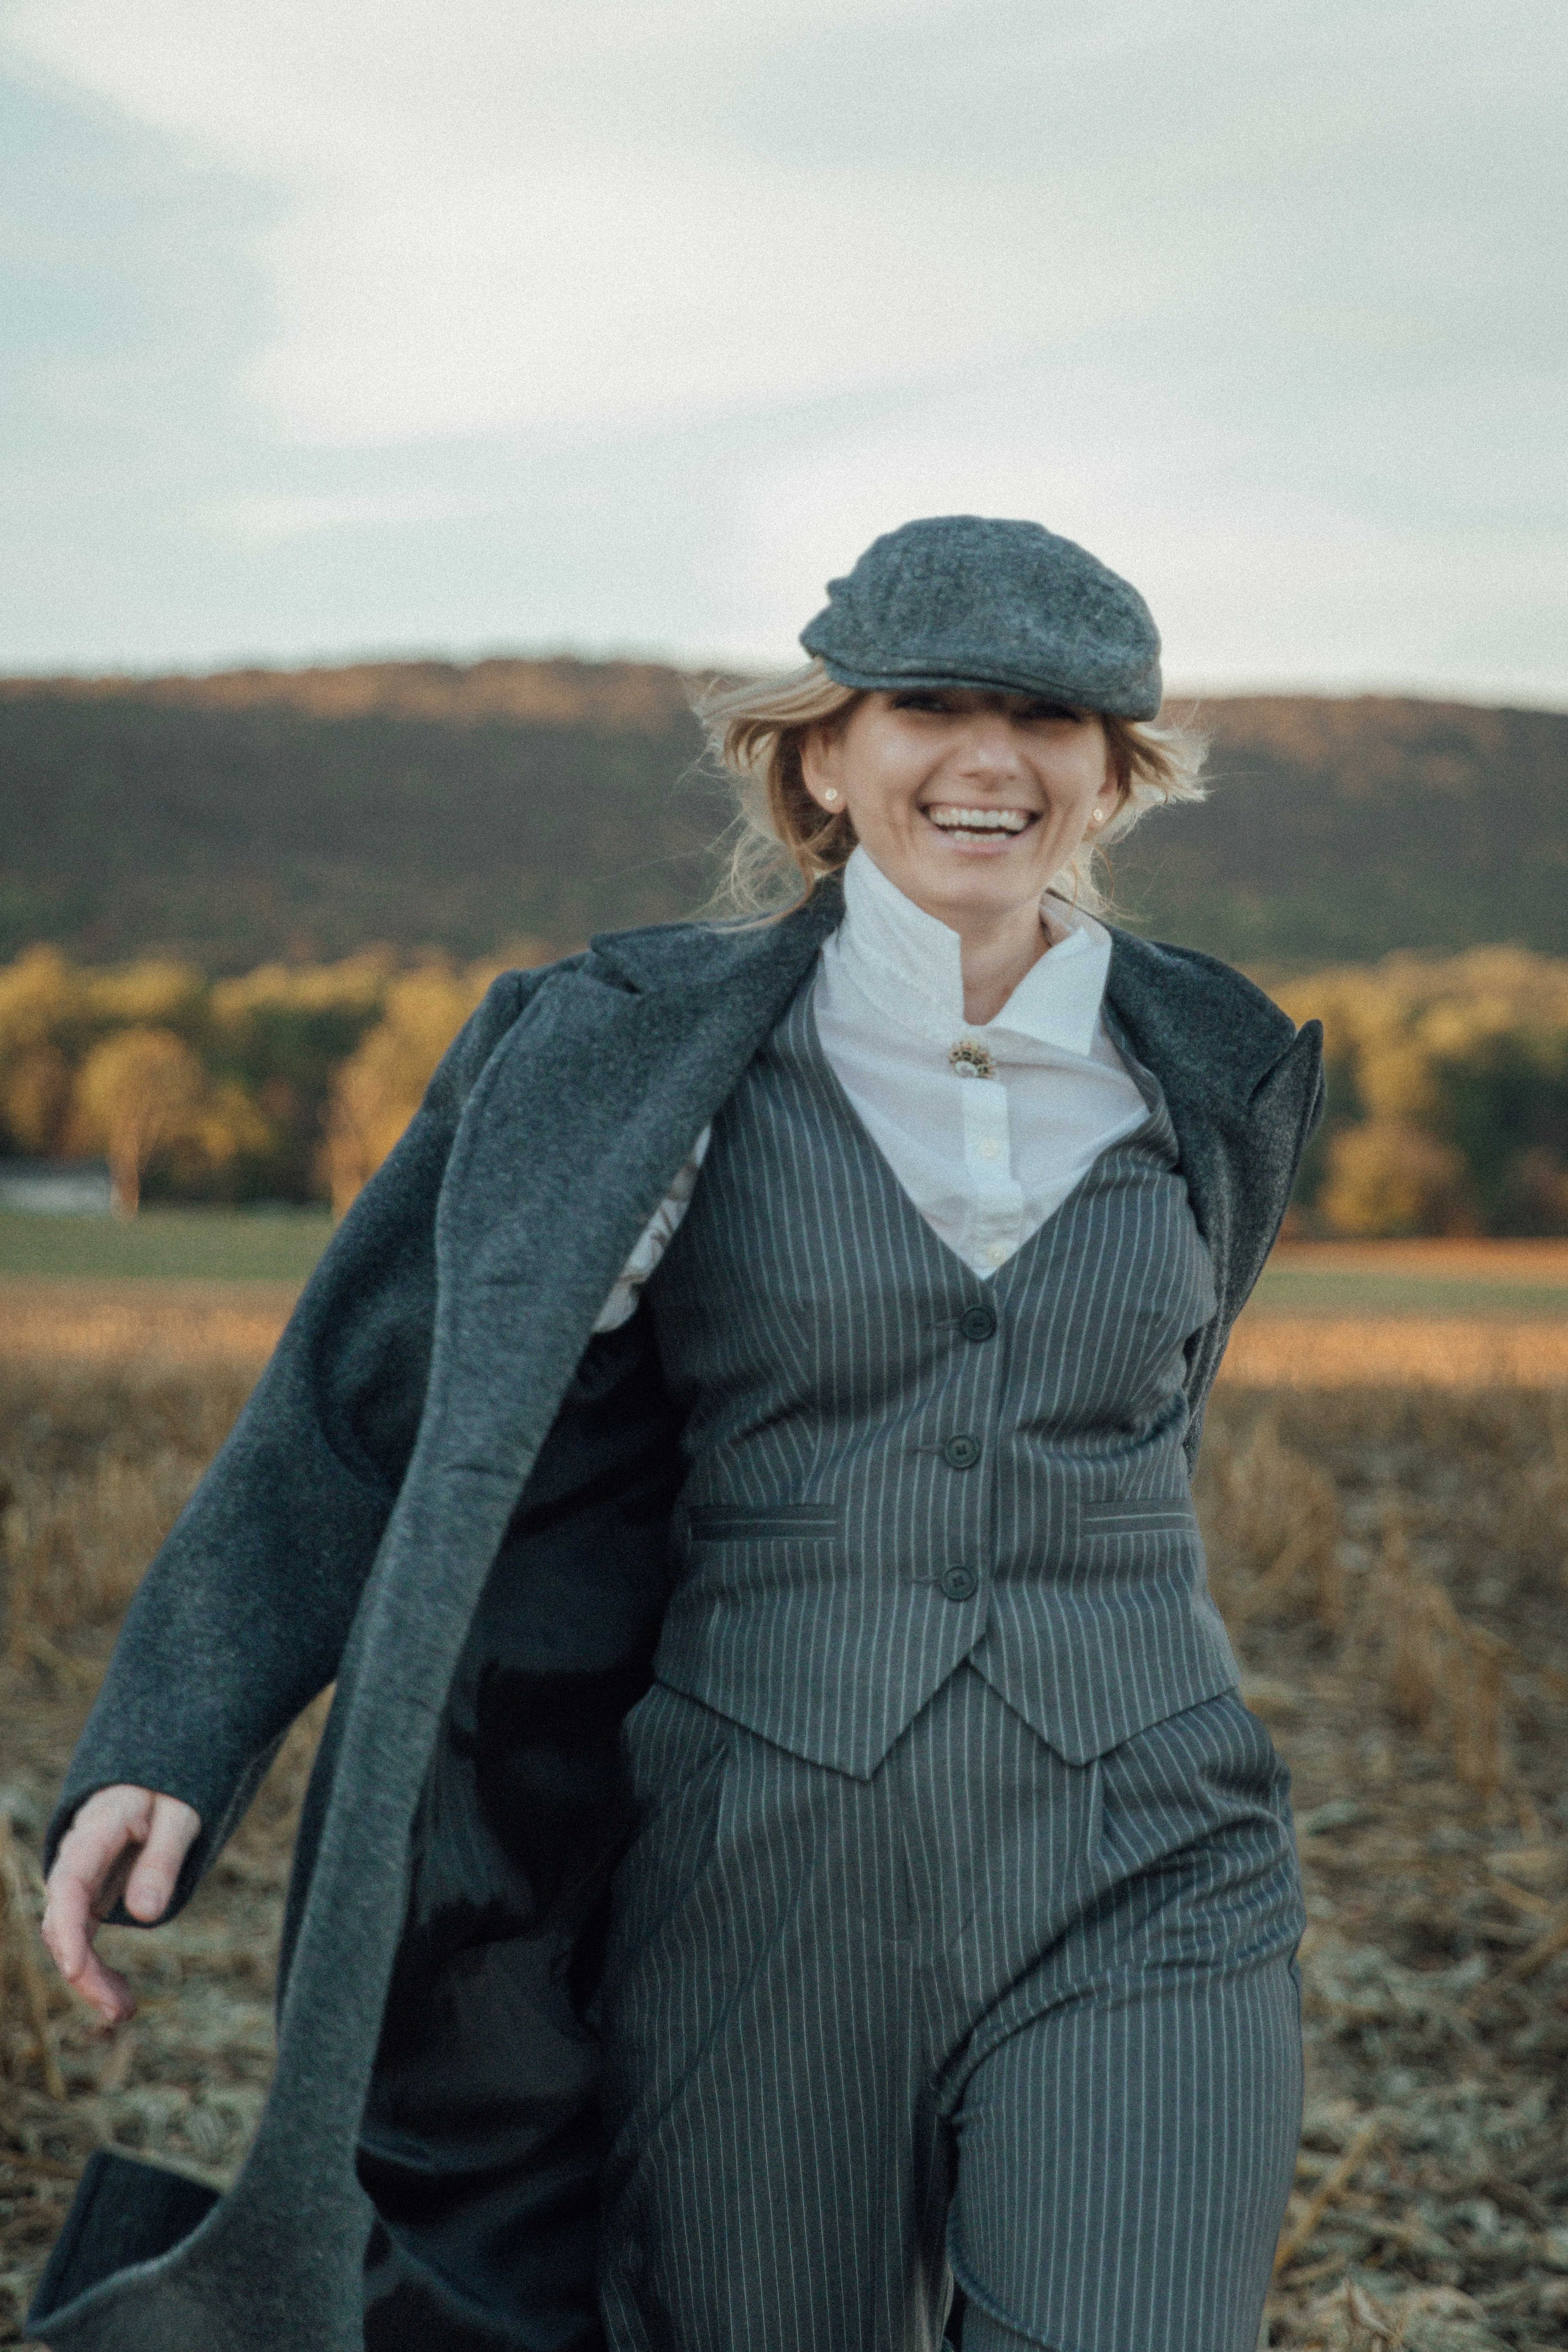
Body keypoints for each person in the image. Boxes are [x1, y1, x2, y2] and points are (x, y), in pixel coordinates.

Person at [36, 515, 1324, 2352]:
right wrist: (175, 1729)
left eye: (1048, 718)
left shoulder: (1215, 1066)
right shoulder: (622, 1054)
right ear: (824, 755)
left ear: (1113, 773)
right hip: (757, 1865)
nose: (991, 758)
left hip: (1152, 1844)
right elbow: (365, 1401)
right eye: (930, 707)